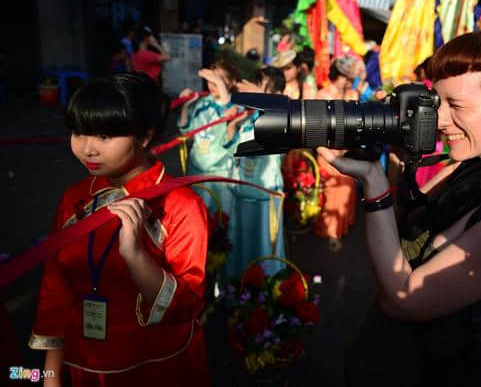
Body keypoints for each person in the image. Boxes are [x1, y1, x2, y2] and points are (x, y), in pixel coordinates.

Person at [319, 29, 481, 386]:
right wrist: (396, 159)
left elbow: (403, 299)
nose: (440, 121)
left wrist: (373, 184)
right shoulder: (475, 163)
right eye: (438, 105)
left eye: (456, 106)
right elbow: (403, 236)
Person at [29, 73, 210, 386]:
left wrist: (135, 255)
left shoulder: (180, 204)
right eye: (79, 133)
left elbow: (187, 305)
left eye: (104, 136)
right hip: (84, 360)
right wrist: (50, 375)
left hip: (154, 366)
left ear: (144, 136)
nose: (87, 149)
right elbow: (56, 286)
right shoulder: (75, 197)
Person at [226, 70, 287, 279]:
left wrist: (260, 98)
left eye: (261, 87)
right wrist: (233, 124)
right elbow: (231, 149)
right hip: (242, 193)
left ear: (276, 93)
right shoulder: (248, 116)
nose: (253, 92)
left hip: (265, 197)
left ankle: (267, 295)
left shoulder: (281, 117)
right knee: (240, 246)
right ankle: (236, 292)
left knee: (264, 250)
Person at [178, 60, 246, 219]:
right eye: (210, 80)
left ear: (231, 83)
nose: (212, 84)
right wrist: (186, 105)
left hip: (219, 172)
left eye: (217, 81)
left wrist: (220, 84)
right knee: (196, 216)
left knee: (219, 218)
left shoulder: (237, 105)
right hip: (196, 167)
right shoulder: (203, 102)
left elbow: (229, 113)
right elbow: (186, 131)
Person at [313, 57, 359, 247]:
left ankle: (342, 226)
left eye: (349, 77)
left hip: (348, 152)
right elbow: (314, 127)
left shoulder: (353, 94)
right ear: (337, 75)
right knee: (329, 193)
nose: (348, 81)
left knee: (346, 191)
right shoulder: (322, 95)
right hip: (327, 152)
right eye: (345, 76)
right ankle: (330, 231)